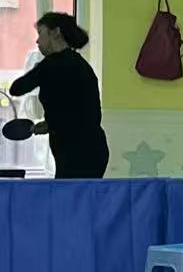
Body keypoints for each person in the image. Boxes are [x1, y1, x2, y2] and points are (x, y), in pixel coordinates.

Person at [5, 12, 108, 179]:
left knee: (68, 194)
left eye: (40, 33)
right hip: (93, 149)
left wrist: (37, 70)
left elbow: (17, 88)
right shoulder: (82, 65)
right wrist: (49, 125)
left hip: (74, 152)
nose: (37, 41)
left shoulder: (51, 64)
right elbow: (78, 113)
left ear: (55, 32)